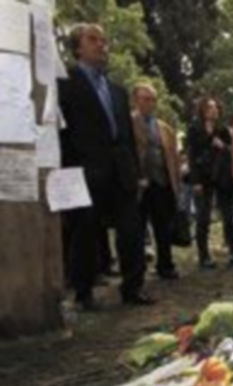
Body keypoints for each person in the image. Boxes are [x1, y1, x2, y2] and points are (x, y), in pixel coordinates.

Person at [58, 23, 153, 309]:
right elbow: (62, 132)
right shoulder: (65, 83)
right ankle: (84, 293)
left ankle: (133, 288)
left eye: (103, 40)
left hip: (122, 172)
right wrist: (69, 171)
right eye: (93, 40)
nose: (102, 45)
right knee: (84, 233)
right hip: (86, 172)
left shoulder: (117, 91)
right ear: (78, 47)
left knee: (132, 231)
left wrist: (136, 173)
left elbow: (126, 136)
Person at [131, 84, 181, 280]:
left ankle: (165, 265)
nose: (150, 103)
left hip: (162, 184)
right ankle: (137, 270)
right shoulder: (128, 122)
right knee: (137, 230)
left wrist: (175, 184)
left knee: (164, 228)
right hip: (140, 185)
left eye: (153, 99)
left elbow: (174, 158)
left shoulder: (164, 128)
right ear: (136, 100)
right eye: (146, 99)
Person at [187, 96, 233, 269]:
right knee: (203, 217)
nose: (214, 110)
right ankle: (204, 257)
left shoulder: (222, 129)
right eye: (210, 107)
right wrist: (195, 181)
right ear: (202, 110)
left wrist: (223, 146)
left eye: (216, 107)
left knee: (228, 216)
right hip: (203, 178)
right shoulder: (194, 129)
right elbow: (192, 156)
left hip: (223, 177)